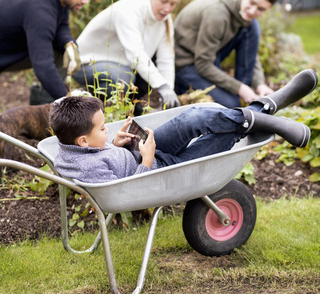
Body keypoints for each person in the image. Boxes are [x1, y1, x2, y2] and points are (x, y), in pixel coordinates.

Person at [49, 69, 318, 183]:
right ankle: (266, 109)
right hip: (159, 172)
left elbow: (97, 151)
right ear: (83, 140)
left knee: (194, 116)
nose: (107, 130)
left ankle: (265, 110)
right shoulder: (87, 169)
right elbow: (122, 192)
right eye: (103, 129)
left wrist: (114, 143)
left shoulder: (75, 144)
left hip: (144, 153)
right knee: (222, 137)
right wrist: (147, 160)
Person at [73, 0, 181, 110]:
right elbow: (136, 54)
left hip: (123, 66)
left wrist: (167, 92)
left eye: (173, 4)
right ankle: (92, 110)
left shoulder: (165, 20)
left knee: (141, 81)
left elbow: (166, 59)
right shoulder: (128, 11)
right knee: (123, 79)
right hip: (85, 64)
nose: (167, 9)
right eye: (164, 1)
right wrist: (162, 86)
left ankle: (132, 116)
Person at [174, 0, 282, 108]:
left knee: (252, 26)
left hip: (208, 58)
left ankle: (246, 95)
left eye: (261, 9)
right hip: (185, 65)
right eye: (252, 3)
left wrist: (259, 84)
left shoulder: (244, 13)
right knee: (230, 106)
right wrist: (239, 88)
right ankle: (240, 96)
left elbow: (251, 53)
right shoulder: (217, 14)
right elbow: (203, 64)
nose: (253, 10)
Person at [0, 0, 95, 103]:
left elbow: (61, 24)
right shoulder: (40, 10)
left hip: (15, 45)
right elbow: (43, 65)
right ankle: (49, 109)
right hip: (5, 52)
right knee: (48, 63)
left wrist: (69, 44)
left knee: (62, 52)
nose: (86, 0)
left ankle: (44, 108)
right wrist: (68, 101)